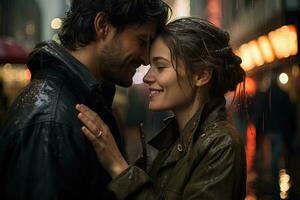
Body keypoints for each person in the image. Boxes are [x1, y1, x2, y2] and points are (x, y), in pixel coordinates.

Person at [0, 0, 170, 199]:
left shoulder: (84, 101)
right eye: (142, 41)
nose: (146, 58)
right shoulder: (51, 121)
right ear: (102, 26)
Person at [76, 17, 247, 199]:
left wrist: (118, 166)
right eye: (150, 66)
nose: (147, 77)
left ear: (201, 75)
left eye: (161, 66)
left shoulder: (220, 144)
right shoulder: (173, 140)